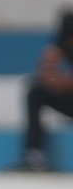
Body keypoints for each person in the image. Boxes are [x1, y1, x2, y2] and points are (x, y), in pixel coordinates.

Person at [13, 9, 73, 172]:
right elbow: (45, 68)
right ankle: (34, 154)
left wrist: (63, 82)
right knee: (35, 92)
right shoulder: (60, 44)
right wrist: (52, 78)